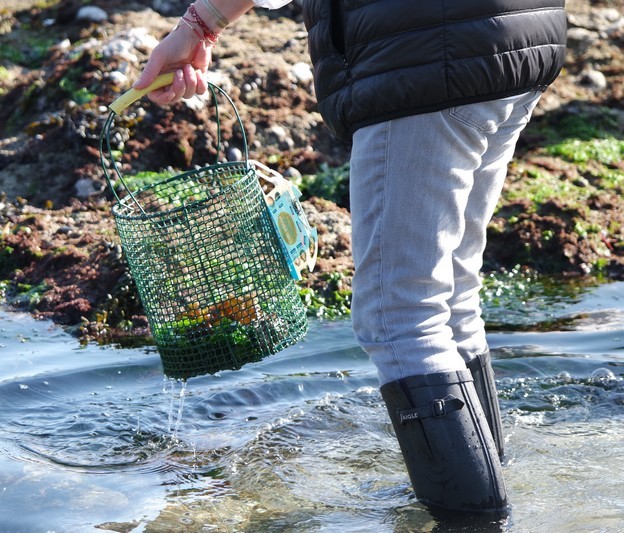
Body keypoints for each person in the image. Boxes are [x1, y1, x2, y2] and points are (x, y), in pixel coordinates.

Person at [133, 0, 567, 514]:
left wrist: (199, 24)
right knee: (448, 293)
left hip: (420, 51)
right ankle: (485, 486)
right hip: (514, 36)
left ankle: (474, 518)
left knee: (398, 317)